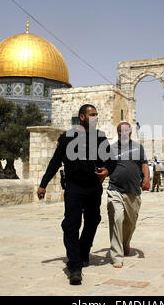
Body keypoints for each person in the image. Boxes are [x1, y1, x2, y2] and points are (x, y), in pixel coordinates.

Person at [36, 104, 113, 286]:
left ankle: (83, 251)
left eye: (96, 115)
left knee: (93, 220)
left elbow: (110, 161)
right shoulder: (67, 137)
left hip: (93, 187)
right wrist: (43, 184)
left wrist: (107, 171)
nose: (95, 118)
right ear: (82, 117)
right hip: (74, 188)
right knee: (71, 225)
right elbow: (55, 162)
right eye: (92, 115)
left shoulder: (100, 137)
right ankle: (75, 266)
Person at [106, 121, 150, 268]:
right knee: (117, 218)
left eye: (126, 131)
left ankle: (125, 241)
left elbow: (144, 164)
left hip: (133, 191)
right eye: (120, 131)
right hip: (115, 188)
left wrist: (147, 179)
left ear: (130, 132)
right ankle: (117, 256)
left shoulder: (138, 148)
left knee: (131, 223)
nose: (123, 133)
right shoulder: (111, 149)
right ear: (117, 133)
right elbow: (105, 167)